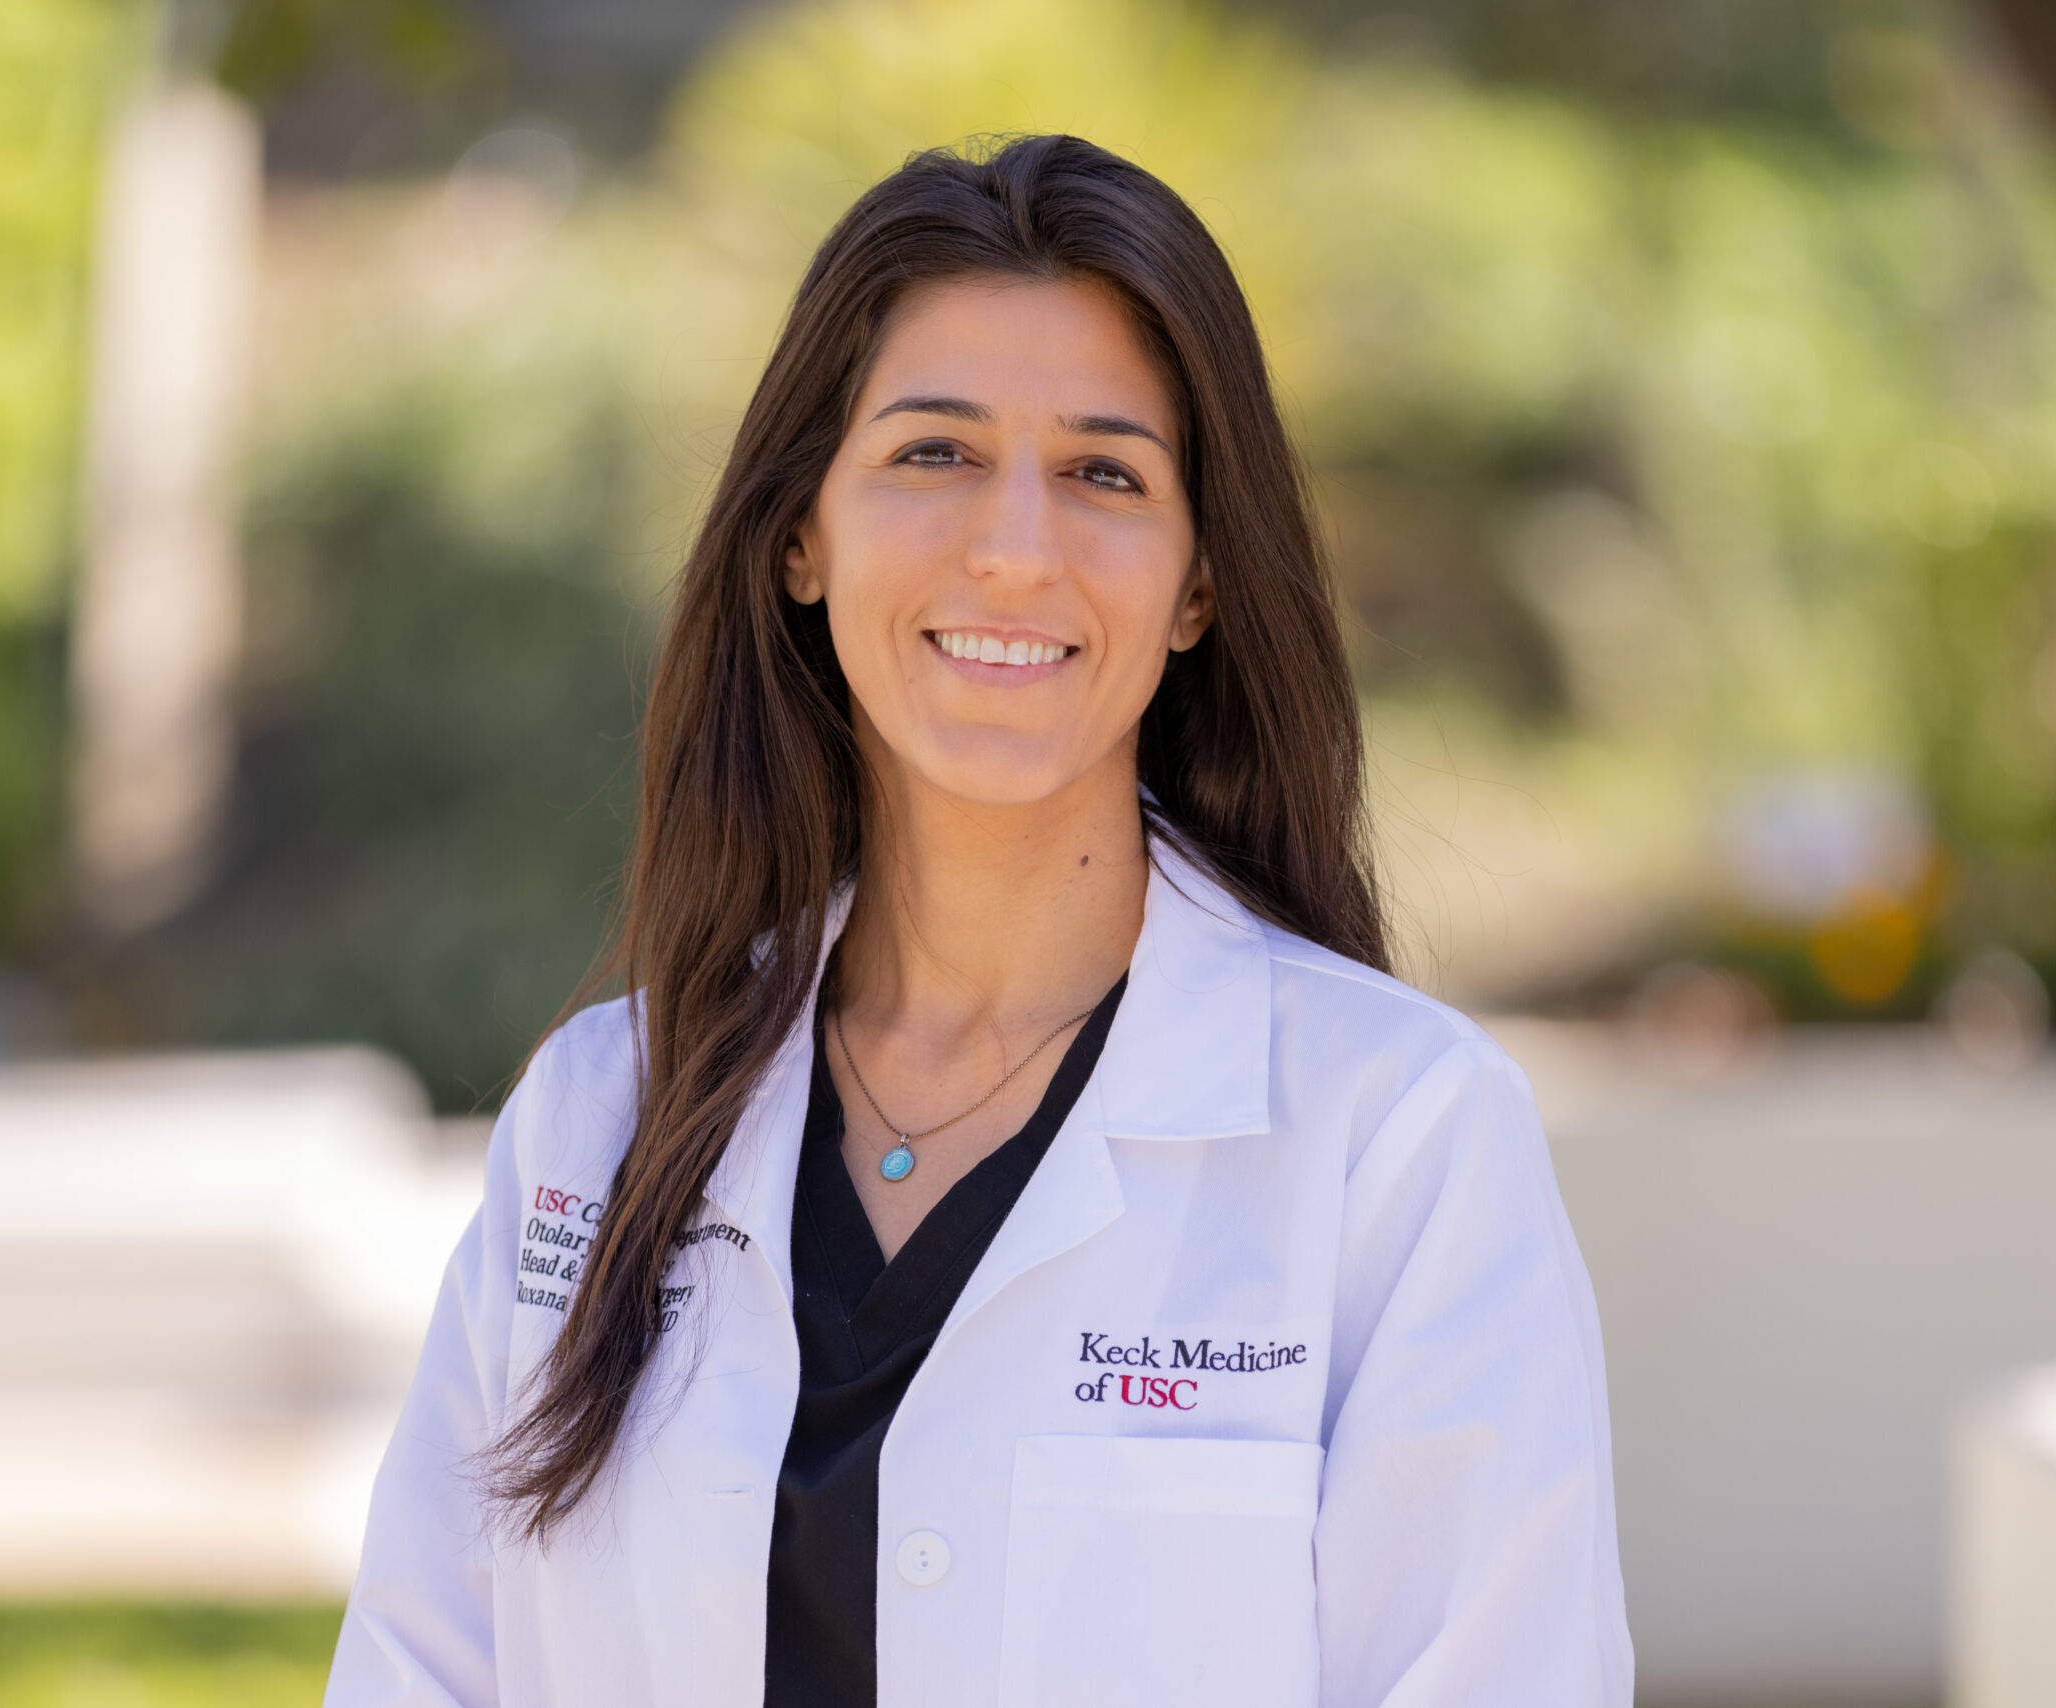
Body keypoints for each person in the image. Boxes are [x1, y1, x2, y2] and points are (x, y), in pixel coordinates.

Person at [324, 134, 1631, 1708]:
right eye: (935, 454)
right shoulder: (596, 1125)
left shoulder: (1398, 1142)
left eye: (1105, 473)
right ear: (800, 533)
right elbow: (426, 1670)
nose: (1016, 547)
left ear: (1199, 581)